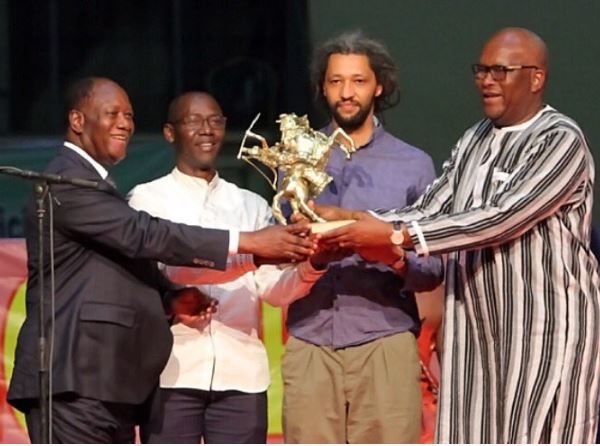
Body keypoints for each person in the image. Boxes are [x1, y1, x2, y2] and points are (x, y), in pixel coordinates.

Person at [319, 28, 600, 443]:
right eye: (481, 70)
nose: (486, 80)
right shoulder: (474, 139)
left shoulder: (560, 140)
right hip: (476, 330)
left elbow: (501, 219)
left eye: (500, 71)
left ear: (536, 78)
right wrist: (349, 220)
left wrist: (396, 236)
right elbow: (431, 207)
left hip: (545, 331)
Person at [7, 77, 316, 443]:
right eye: (112, 113)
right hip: (76, 376)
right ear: (77, 120)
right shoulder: (67, 182)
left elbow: (124, 262)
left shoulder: (100, 186)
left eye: (129, 115)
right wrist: (249, 243)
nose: (125, 123)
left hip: (109, 381)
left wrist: (170, 298)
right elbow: (145, 235)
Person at [128, 91, 341, 443]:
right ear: (170, 133)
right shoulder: (146, 200)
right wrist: (251, 251)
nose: (207, 130)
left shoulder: (250, 203)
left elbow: (273, 290)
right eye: (194, 121)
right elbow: (153, 278)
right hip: (171, 373)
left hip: (242, 377)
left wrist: (313, 264)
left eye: (215, 121)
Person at [281, 31, 444, 444]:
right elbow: (281, 255)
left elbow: (433, 267)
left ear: (379, 86)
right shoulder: (295, 162)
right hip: (310, 337)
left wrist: (385, 250)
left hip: (385, 338)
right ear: (323, 87)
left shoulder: (413, 165)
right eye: (336, 81)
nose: (346, 93)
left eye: (357, 81)